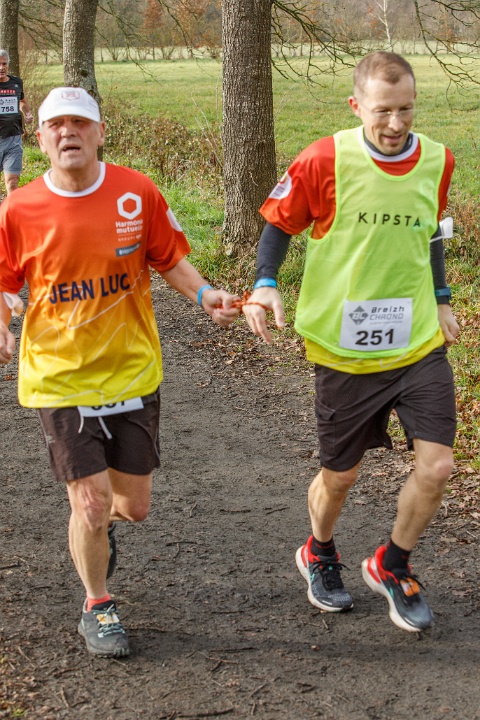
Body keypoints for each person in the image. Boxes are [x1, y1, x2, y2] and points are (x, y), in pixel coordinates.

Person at [0, 86, 240, 658]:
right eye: (56, 125)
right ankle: (98, 603)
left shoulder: (137, 192)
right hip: (58, 376)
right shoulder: (18, 210)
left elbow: (169, 258)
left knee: (131, 507)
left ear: (100, 133)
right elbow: (4, 283)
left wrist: (204, 294)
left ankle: (100, 528)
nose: (68, 132)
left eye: (80, 123)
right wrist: (2, 326)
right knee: (88, 502)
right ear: (40, 139)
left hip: (131, 371)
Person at [243, 52, 459, 633]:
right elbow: (279, 224)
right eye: (383, 110)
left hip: (416, 342)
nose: (396, 123)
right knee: (340, 477)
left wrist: (441, 298)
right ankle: (319, 549)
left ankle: (393, 563)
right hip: (344, 350)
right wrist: (265, 283)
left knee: (438, 465)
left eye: (406, 109)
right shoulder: (324, 159)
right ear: (356, 105)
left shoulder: (437, 160)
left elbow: (430, 234)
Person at [0, 49, 33, 195]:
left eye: (4, 64)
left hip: (13, 139)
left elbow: (22, 100)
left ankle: (11, 210)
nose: (1, 68)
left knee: (12, 182)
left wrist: (27, 113)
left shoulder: (16, 83)